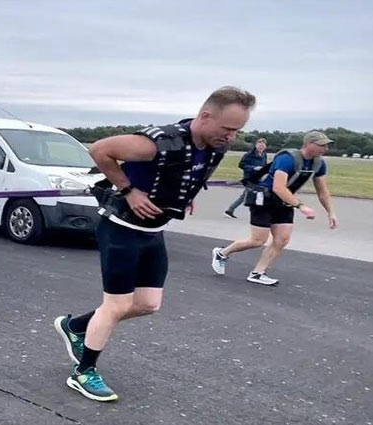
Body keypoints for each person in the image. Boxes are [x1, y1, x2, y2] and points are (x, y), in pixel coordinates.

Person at [53, 86, 256, 402]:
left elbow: (186, 173)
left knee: (148, 304)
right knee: (117, 305)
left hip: (153, 231)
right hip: (121, 229)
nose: (231, 137)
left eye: (238, 131)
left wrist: (183, 198)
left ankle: (76, 325)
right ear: (205, 116)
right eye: (227, 129)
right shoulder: (158, 142)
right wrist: (129, 190)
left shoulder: (213, 146)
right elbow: (100, 150)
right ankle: (83, 372)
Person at [211, 131, 338, 285]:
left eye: (326, 145)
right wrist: (301, 206)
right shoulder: (287, 159)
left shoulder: (319, 163)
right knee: (257, 240)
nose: (325, 148)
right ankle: (222, 253)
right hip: (264, 199)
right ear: (309, 144)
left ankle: (258, 273)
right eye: (321, 145)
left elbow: (322, 191)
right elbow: (279, 188)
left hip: (285, 202)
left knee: (282, 239)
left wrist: (331, 213)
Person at [224, 138, 268, 218]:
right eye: (260, 145)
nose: (261, 147)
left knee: (250, 195)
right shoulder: (249, 154)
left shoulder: (264, 155)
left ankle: (230, 210)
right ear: (256, 145)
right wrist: (253, 168)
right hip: (250, 178)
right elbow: (241, 165)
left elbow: (264, 165)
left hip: (259, 178)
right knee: (250, 195)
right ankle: (231, 210)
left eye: (263, 146)